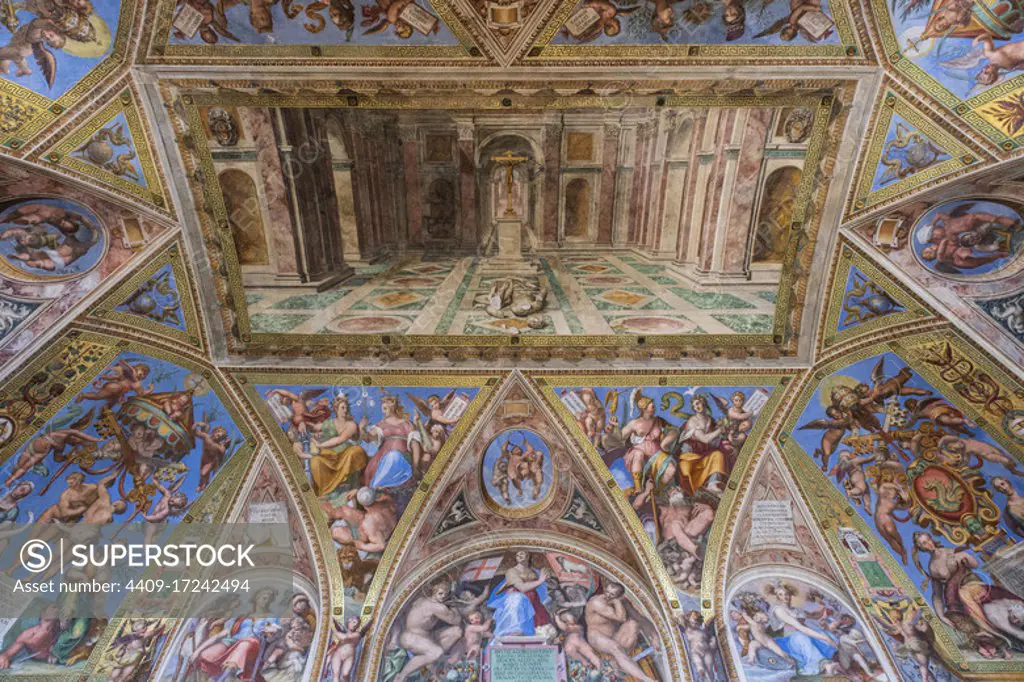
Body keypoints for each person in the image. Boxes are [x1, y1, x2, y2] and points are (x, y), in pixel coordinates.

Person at [584, 582, 656, 682]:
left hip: (615, 635)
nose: (607, 595)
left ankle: (619, 662)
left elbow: (640, 618)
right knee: (615, 648)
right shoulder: (597, 602)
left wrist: (654, 636)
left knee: (633, 624)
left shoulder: (623, 602)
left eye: (612, 594)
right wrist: (617, 601)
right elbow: (621, 617)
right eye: (607, 591)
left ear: (620, 596)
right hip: (597, 637)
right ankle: (646, 679)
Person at [394, 582, 463, 682]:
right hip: (411, 638)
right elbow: (456, 620)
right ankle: (401, 677)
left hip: (426, 636)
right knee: (437, 652)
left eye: (446, 594)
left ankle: (433, 664)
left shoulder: (421, 599)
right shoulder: (437, 606)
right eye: (440, 593)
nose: (443, 596)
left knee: (457, 631)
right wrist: (454, 605)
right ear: (434, 592)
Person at [763, 582, 837, 674]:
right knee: (802, 637)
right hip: (790, 640)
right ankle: (825, 665)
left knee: (824, 633)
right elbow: (800, 628)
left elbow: (815, 615)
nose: (785, 597)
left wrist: (822, 604)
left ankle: (832, 661)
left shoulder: (796, 610)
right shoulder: (779, 610)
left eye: (786, 594)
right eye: (780, 594)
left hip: (804, 634)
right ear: (777, 597)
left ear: (790, 594)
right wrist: (825, 638)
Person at [304, 395, 368, 498]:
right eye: (342, 407)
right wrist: (302, 423)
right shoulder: (329, 423)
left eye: (347, 407)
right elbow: (313, 427)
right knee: (315, 461)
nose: (345, 410)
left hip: (344, 455)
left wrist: (320, 445)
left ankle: (353, 486)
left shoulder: (351, 425)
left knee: (356, 451)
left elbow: (340, 440)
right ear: (336, 409)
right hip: (329, 457)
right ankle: (326, 491)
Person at [487, 551, 552, 637]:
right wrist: (540, 581)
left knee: (543, 631)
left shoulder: (533, 571)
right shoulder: (512, 571)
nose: (519, 556)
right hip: (518, 602)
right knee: (519, 625)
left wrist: (548, 578)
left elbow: (548, 585)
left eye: (522, 554)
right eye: (517, 555)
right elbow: (522, 588)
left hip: (534, 601)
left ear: (528, 556)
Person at [361, 395, 422, 486]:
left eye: (386, 403)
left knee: (394, 456)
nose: (383, 405)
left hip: (402, 458)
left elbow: (415, 444)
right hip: (382, 458)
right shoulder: (381, 424)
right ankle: (376, 486)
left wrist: (416, 465)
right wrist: (362, 428)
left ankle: (377, 485)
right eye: (383, 404)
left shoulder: (407, 424)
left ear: (393, 404)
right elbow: (367, 438)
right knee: (389, 458)